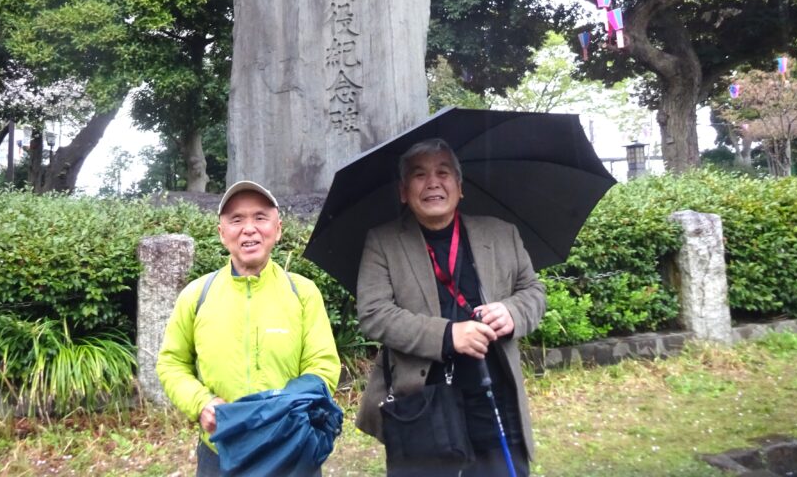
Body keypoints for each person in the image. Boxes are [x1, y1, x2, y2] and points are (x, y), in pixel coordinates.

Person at [356, 138, 546, 476]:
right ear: (403, 191)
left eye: (443, 172)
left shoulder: (501, 234)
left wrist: (513, 312)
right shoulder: (383, 242)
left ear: (459, 187)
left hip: (494, 396)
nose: (433, 183)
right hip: (423, 406)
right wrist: (447, 335)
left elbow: (533, 291)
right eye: (419, 175)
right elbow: (374, 313)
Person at [156, 180, 342, 477]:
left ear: (277, 229)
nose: (249, 229)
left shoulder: (303, 293)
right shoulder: (197, 295)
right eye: (237, 219)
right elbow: (171, 362)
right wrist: (201, 403)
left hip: (291, 447)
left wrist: (279, 412)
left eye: (260, 217)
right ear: (222, 233)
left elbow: (323, 365)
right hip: (221, 451)